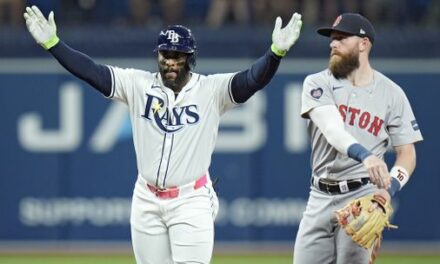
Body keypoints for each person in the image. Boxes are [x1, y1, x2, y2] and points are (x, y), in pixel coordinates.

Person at [23, 5, 302, 264]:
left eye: (177, 55)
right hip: (146, 198)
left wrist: (275, 53)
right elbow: (93, 73)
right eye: (165, 54)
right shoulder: (137, 84)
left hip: (190, 201)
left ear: (190, 58)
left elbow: (251, 79)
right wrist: (54, 45)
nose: (170, 61)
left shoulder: (211, 90)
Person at [294, 13, 423, 263]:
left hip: (362, 197)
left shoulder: (392, 94)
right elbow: (333, 131)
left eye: (341, 38)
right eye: (331, 39)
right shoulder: (318, 83)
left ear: (363, 44)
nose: (333, 44)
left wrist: (389, 189)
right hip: (319, 195)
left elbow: (407, 154)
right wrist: (367, 156)